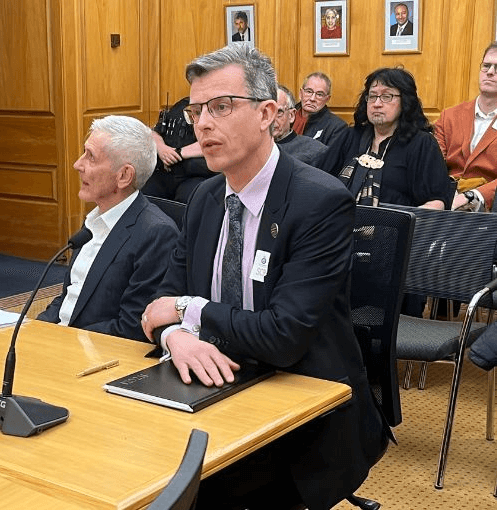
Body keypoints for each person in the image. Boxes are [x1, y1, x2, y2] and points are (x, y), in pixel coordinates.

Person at [140, 45, 386, 510]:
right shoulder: (205, 199)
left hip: (298, 409)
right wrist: (177, 336)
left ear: (267, 114)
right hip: (210, 387)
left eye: (221, 107)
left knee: (198, 494)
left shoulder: (320, 202)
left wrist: (185, 311)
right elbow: (158, 304)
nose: (203, 124)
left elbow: (282, 336)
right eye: (196, 111)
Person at [37, 116, 178, 343]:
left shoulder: (156, 234)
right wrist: (35, 330)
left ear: (124, 176)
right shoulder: (94, 222)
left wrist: (64, 342)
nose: (77, 164)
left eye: (90, 157)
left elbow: (132, 327)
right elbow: (69, 298)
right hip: (59, 341)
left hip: (95, 354)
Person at [319, 67, 453, 209]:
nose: (377, 104)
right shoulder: (351, 136)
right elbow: (318, 179)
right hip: (341, 223)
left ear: (405, 101)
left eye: (386, 96)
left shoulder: (421, 143)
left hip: (394, 228)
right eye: (372, 96)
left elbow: (437, 203)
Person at [435, 42, 497, 212]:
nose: (490, 72)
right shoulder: (450, 115)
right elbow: (433, 162)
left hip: (488, 210)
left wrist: (475, 196)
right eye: (486, 66)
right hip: (443, 201)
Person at [141, 97, 212, 203]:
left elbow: (217, 140)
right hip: (165, 171)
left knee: (189, 199)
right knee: (144, 194)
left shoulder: (214, 107)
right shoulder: (181, 105)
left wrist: (178, 153)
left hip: (195, 175)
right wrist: (162, 149)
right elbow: (155, 132)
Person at [272, 84, 328, 167]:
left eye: (278, 112)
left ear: (291, 115)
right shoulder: (249, 149)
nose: (270, 119)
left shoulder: (316, 151)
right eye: (264, 112)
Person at [292, 72, 348, 146]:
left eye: (319, 94)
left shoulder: (337, 127)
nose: (312, 98)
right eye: (309, 91)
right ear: (301, 93)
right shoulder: (286, 116)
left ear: (327, 99)